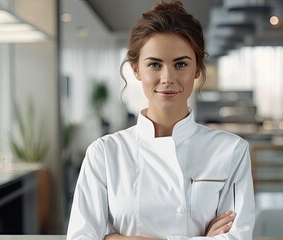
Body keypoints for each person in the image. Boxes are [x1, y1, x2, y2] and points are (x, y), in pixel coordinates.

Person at [67, 1, 255, 239]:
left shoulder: (231, 151)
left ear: (197, 69)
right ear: (136, 69)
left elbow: (238, 237)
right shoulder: (104, 154)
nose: (168, 78)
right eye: (155, 64)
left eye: (181, 64)